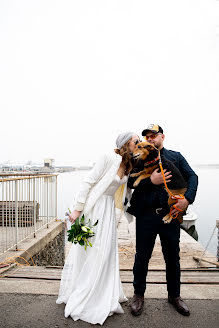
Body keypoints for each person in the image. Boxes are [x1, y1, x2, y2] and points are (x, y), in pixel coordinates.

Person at [56, 132, 139, 325]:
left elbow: (127, 191)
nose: (139, 143)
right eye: (136, 141)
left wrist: (132, 212)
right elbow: (88, 182)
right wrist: (77, 209)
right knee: (94, 250)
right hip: (95, 209)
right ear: (126, 143)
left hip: (109, 210)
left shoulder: (128, 164)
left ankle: (104, 291)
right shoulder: (108, 157)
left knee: (107, 251)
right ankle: (87, 294)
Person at [127, 124, 198, 317]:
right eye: (146, 137)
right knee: (141, 257)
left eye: (153, 136)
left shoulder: (175, 156)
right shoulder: (140, 157)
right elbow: (129, 184)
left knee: (172, 258)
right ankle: (138, 295)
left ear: (162, 137)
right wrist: (151, 181)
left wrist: (187, 199)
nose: (150, 139)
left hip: (171, 215)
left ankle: (174, 296)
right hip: (146, 215)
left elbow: (192, 176)